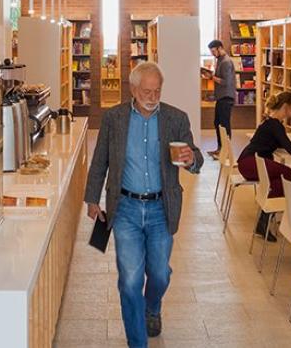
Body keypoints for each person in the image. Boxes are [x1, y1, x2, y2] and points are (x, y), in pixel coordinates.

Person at [84, 62, 203, 348]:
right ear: (133, 89)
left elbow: (195, 158)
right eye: (146, 90)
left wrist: (192, 159)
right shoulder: (114, 118)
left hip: (161, 208)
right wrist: (92, 198)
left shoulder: (176, 118)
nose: (152, 95)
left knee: (159, 273)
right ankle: (138, 342)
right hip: (124, 207)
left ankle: (153, 307)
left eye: (157, 90)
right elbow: (101, 158)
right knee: (130, 280)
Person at [236, 91, 291, 239]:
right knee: (289, 175)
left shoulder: (270, 122)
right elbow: (290, 149)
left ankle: (265, 220)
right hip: (251, 163)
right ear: (286, 107)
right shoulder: (276, 126)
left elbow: (283, 144)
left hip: (248, 162)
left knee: (277, 181)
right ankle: (274, 217)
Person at [205, 40, 236, 159]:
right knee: (218, 123)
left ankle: (226, 150)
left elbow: (226, 82)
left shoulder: (226, 62)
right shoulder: (220, 60)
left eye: (213, 51)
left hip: (226, 97)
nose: (212, 54)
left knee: (224, 124)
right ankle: (220, 148)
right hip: (221, 97)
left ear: (219, 48)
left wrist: (212, 77)